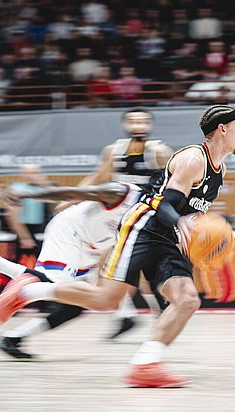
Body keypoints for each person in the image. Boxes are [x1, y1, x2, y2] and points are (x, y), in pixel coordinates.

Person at [0, 104, 235, 387]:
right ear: (222, 129)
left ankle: (145, 365)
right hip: (143, 228)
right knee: (106, 300)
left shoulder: (218, 170)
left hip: (168, 238)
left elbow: (187, 210)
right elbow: (165, 205)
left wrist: (199, 229)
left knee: (187, 299)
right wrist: (182, 222)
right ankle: (26, 290)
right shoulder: (192, 158)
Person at [0, 181, 143, 359]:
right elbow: (75, 192)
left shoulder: (150, 216)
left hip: (93, 247)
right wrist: (29, 194)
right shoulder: (124, 193)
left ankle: (13, 337)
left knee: (76, 304)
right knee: (57, 285)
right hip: (71, 230)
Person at [76, 108, 173, 339]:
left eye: (143, 121)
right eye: (133, 121)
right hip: (119, 215)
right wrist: (74, 196)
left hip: (147, 216)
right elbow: (98, 176)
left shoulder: (159, 151)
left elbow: (176, 183)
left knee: (142, 271)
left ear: (149, 125)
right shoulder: (114, 151)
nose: (138, 125)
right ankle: (126, 315)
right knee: (105, 265)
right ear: (125, 125)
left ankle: (157, 311)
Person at [5, 164, 53, 257]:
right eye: (28, 173)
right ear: (22, 175)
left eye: (35, 173)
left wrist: (45, 184)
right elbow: (13, 215)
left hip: (41, 229)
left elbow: (56, 205)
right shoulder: (16, 189)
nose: (32, 175)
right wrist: (24, 237)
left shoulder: (42, 189)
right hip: (25, 229)